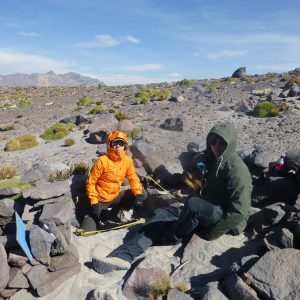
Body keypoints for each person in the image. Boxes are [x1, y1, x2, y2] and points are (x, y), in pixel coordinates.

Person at [91, 122, 252, 274]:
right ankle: (122, 256)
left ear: (230, 144)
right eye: (213, 141)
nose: (216, 146)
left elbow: (240, 211)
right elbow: (192, 172)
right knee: (162, 214)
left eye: (222, 142)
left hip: (225, 218)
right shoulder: (213, 160)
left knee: (192, 204)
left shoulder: (237, 170)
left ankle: (171, 237)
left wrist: (212, 233)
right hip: (208, 207)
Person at [84, 131, 146, 229]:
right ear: (110, 145)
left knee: (142, 193)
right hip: (100, 200)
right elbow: (90, 183)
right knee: (88, 229)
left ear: (125, 146)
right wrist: (94, 202)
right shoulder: (102, 161)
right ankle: (101, 214)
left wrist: (138, 194)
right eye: (115, 143)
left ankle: (118, 211)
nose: (118, 146)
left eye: (121, 143)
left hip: (115, 195)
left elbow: (133, 178)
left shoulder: (127, 161)